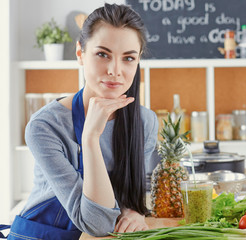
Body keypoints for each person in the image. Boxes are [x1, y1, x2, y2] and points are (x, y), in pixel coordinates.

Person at [7, 3, 158, 238]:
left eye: (128, 58)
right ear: (80, 53)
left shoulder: (145, 122)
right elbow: (96, 224)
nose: (114, 70)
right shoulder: (45, 127)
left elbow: (128, 195)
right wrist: (90, 137)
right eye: (102, 54)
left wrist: (134, 212)